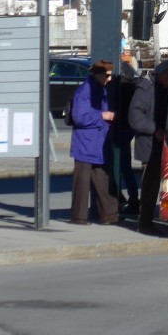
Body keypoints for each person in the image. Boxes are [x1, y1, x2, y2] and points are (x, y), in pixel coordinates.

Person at [69, 60, 119, 226]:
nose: (109, 79)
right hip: (86, 143)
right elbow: (79, 117)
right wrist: (102, 116)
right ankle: (79, 216)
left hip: (96, 142)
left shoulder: (98, 88)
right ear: (98, 74)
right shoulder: (85, 91)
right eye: (107, 75)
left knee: (102, 180)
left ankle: (109, 215)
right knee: (82, 183)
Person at [129, 60, 168, 233]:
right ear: (163, 74)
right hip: (150, 145)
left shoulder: (162, 88)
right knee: (150, 186)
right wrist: (155, 130)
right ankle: (145, 222)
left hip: (163, 144)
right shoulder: (146, 88)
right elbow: (135, 118)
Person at [110, 58, 140, 214]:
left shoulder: (119, 87)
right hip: (128, 128)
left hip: (120, 128)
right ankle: (132, 197)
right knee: (125, 166)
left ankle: (123, 197)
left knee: (117, 165)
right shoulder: (132, 86)